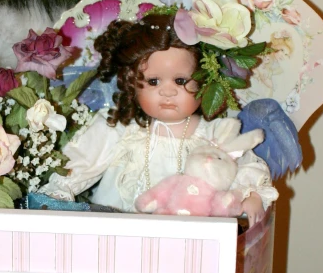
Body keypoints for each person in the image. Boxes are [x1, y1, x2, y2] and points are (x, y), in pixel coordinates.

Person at [41, 12, 278, 227]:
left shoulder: (216, 134)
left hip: (189, 239)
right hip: (118, 233)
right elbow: (79, 164)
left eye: (180, 81)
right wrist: (57, 197)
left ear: (204, 81)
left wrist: (251, 195)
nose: (168, 92)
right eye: (154, 82)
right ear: (133, 84)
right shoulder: (120, 129)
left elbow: (247, 167)